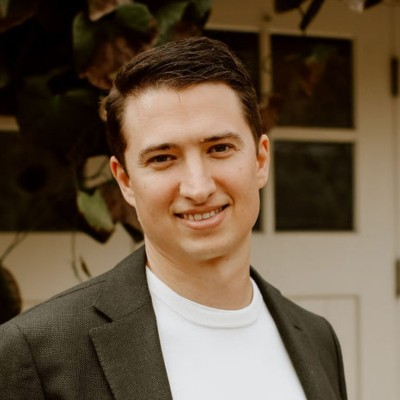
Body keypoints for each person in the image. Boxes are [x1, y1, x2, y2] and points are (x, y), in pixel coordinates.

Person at [0, 37, 347, 399]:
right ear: (125, 181)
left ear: (260, 161)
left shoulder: (318, 338)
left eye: (219, 148)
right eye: (162, 158)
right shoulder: (35, 354)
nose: (198, 188)